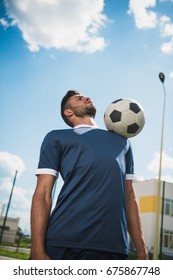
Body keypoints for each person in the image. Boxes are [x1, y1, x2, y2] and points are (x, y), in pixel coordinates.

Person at [30, 90, 148, 260]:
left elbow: (130, 198)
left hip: (113, 247)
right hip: (63, 243)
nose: (87, 97)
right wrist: (37, 249)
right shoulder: (57, 137)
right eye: (79, 98)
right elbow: (43, 194)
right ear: (68, 111)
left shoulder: (123, 143)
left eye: (86, 96)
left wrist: (142, 251)